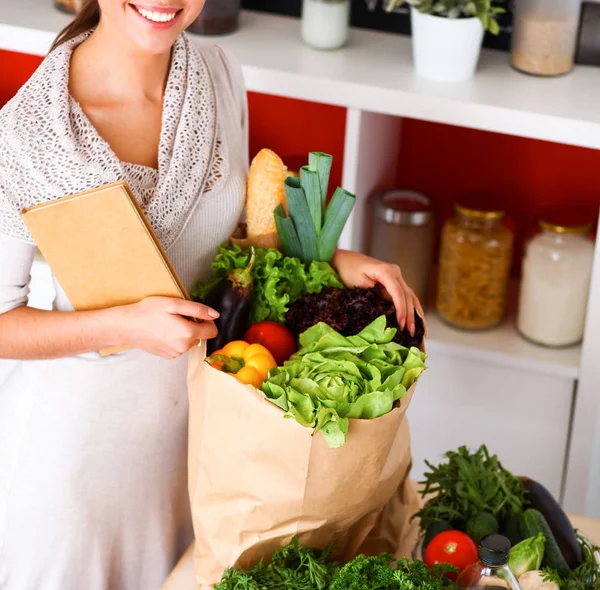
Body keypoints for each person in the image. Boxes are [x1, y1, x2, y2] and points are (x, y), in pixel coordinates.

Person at [0, 1, 424, 588]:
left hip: (205, 439)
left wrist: (338, 259)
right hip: (77, 469)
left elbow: (232, 240)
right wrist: (125, 326)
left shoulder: (218, 75)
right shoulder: (24, 138)